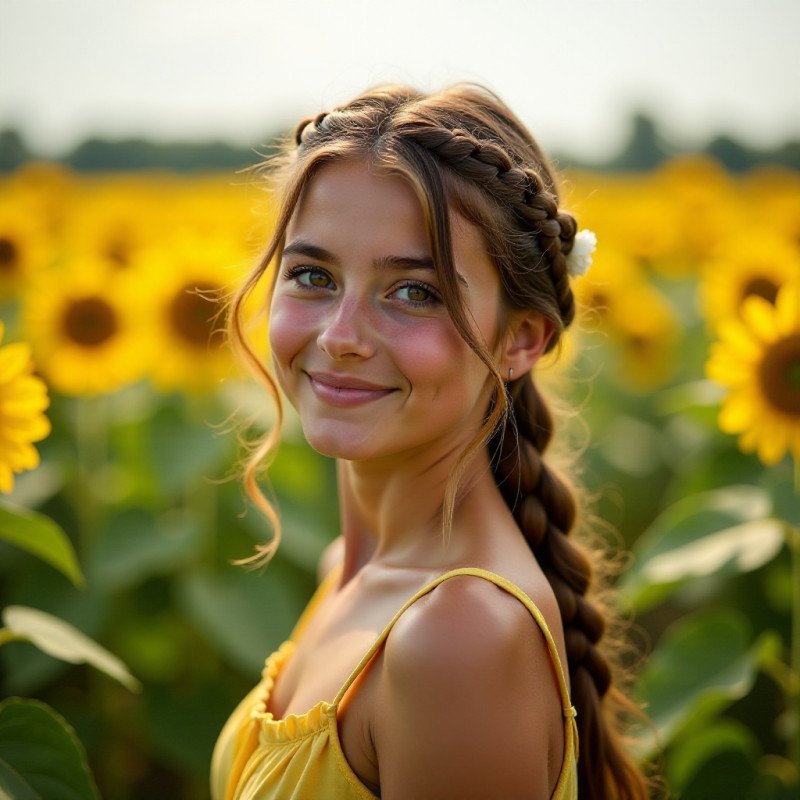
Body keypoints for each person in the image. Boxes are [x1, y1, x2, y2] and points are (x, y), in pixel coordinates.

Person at [211, 84, 651, 800]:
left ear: (520, 340)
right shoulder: (356, 569)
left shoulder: (456, 637)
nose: (340, 337)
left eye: (414, 292)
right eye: (313, 276)